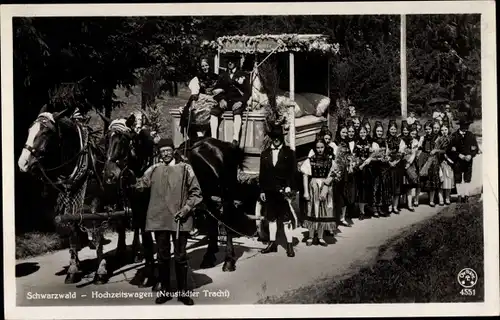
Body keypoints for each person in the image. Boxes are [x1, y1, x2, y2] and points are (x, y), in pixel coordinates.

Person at [135, 138, 203, 305]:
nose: (165, 153)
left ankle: (182, 292)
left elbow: (197, 192)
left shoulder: (185, 168)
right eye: (162, 151)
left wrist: (187, 208)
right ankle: (165, 291)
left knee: (180, 257)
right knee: (163, 257)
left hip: (180, 220)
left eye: (168, 150)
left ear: (173, 150)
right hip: (159, 220)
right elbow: (140, 184)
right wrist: (133, 180)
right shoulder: (153, 169)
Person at [259, 123, 298, 257]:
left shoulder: (289, 153)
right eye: (274, 137)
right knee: (271, 218)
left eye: (278, 137)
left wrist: (289, 187)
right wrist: (262, 191)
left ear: (282, 138)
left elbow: (293, 172)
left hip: (283, 191)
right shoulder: (265, 154)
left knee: (286, 219)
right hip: (269, 191)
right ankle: (272, 244)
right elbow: (262, 174)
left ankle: (289, 245)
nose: (276, 139)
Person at [301, 138, 337, 246]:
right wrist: (306, 192)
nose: (320, 149)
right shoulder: (310, 160)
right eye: (318, 147)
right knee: (313, 208)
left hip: (325, 186)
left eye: (322, 147)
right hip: (314, 185)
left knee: (323, 209)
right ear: (315, 148)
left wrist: (326, 186)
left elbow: (333, 173)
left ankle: (321, 236)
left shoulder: (330, 160)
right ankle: (311, 235)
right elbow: (305, 175)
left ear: (325, 147)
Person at [210, 57, 251, 146]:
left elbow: (248, 92)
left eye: (232, 61)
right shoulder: (223, 75)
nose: (230, 63)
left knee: (237, 112)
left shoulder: (243, 74)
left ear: (236, 63)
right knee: (213, 112)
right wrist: (221, 99)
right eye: (228, 61)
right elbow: (216, 89)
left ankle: (235, 139)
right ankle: (213, 139)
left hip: (237, 101)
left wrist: (241, 102)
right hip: (225, 101)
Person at [181, 58, 220, 137]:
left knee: (207, 110)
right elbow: (195, 93)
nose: (205, 68)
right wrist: (189, 104)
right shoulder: (198, 78)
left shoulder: (216, 77)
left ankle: (208, 135)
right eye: (202, 66)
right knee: (194, 111)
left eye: (206, 65)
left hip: (213, 99)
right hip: (201, 98)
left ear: (210, 65)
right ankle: (200, 135)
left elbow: (221, 89)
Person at [448, 119, 479, 203]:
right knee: (457, 177)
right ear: (460, 126)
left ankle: (465, 195)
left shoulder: (471, 135)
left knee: (467, 177)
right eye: (464, 126)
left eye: (467, 126)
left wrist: (471, 155)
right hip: (458, 160)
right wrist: (459, 155)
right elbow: (451, 150)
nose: (466, 128)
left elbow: (475, 148)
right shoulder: (454, 136)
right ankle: (459, 195)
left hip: (468, 160)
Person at [418, 121, 441, 207]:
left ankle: (431, 200)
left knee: (433, 178)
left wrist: (436, 151)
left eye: (429, 129)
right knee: (424, 178)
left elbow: (440, 148)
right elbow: (419, 147)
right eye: (426, 129)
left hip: (433, 158)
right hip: (424, 158)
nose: (428, 131)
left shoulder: (437, 138)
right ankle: (423, 198)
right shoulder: (423, 138)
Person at [385, 120, 406, 214]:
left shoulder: (400, 140)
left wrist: (396, 162)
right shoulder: (386, 140)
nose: (393, 131)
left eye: (394, 129)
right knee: (389, 186)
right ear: (389, 129)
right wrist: (389, 162)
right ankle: (389, 206)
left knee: (397, 186)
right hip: (388, 166)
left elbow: (401, 153)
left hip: (397, 165)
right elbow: (385, 152)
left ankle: (395, 206)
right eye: (391, 129)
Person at [353, 126, 373, 219]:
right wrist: (358, 163)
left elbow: (372, 155)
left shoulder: (370, 142)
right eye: (361, 132)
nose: (363, 134)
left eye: (364, 132)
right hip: (359, 169)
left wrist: (368, 160)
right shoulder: (356, 143)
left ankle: (366, 207)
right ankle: (361, 211)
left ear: (367, 133)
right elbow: (354, 156)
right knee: (360, 190)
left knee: (367, 188)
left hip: (368, 169)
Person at [370, 121, 388, 217]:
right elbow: (373, 155)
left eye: (381, 131)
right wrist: (379, 157)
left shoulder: (384, 141)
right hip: (375, 166)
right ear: (375, 131)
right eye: (378, 131)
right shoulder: (373, 142)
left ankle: (380, 206)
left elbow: (386, 152)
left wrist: (386, 157)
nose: (379, 133)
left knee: (382, 187)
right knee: (375, 187)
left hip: (383, 167)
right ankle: (374, 207)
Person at [435, 123, 454, 205]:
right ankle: (441, 198)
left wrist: (449, 155)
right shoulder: (438, 140)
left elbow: (454, 150)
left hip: (449, 162)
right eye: (442, 130)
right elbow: (436, 150)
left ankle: (447, 197)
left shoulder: (451, 139)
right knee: (441, 180)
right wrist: (442, 153)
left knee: (448, 180)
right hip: (441, 161)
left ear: (448, 130)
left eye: (445, 130)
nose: (444, 132)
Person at [402, 124, 420, 211]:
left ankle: (409, 203)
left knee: (409, 184)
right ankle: (400, 202)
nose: (406, 132)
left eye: (407, 131)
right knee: (402, 183)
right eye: (404, 130)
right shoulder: (400, 139)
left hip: (410, 163)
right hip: (401, 163)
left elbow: (414, 153)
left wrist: (409, 163)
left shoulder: (414, 141)